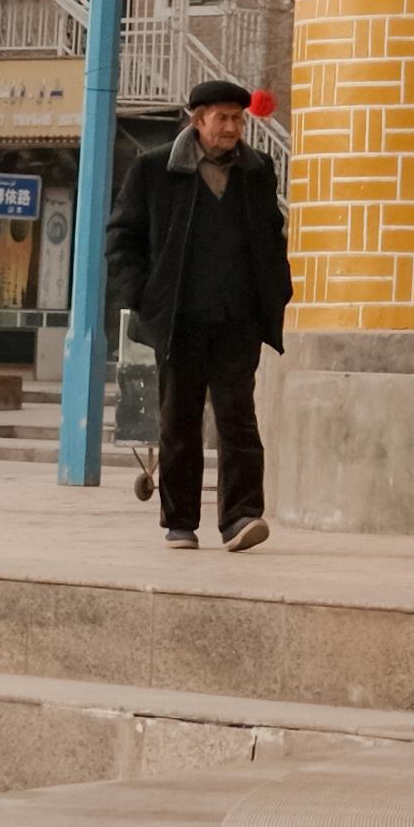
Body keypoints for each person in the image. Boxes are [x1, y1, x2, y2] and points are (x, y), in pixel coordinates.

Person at [105, 76, 290, 553]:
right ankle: (180, 521)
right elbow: (122, 239)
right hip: (178, 320)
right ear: (197, 120)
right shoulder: (153, 170)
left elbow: (272, 239)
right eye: (222, 118)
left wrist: (275, 293)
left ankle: (241, 517)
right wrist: (145, 296)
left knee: (238, 419)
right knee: (179, 420)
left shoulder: (257, 170)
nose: (231, 128)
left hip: (238, 319)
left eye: (237, 118)